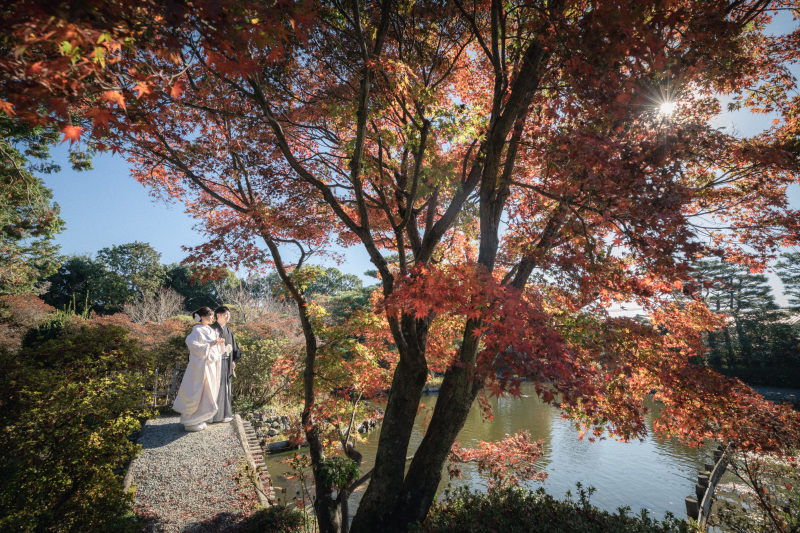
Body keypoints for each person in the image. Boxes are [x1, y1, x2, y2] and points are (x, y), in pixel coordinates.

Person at [172, 306, 225, 432]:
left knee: (208, 391)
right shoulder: (197, 330)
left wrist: (219, 344)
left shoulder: (211, 330)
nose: (212, 317)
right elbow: (192, 344)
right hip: (200, 367)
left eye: (212, 315)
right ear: (202, 316)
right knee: (198, 391)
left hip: (210, 365)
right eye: (210, 315)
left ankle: (199, 418)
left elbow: (215, 348)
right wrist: (210, 344)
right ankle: (190, 421)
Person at [210, 306, 241, 423]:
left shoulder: (228, 330)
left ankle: (224, 414)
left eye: (229, 314)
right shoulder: (211, 328)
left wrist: (233, 361)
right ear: (218, 315)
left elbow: (233, 347)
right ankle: (212, 415)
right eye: (225, 315)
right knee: (214, 386)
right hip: (214, 362)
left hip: (227, 362)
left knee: (226, 387)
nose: (228, 316)